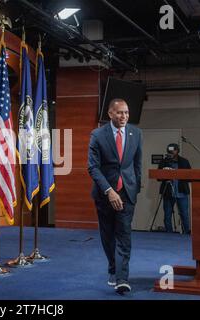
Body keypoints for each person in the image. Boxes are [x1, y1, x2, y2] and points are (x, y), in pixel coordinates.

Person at [87, 98, 142, 295]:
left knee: (124, 235)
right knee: (108, 236)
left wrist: (136, 188)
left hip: (127, 193)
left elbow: (137, 164)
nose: (124, 116)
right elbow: (92, 167)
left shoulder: (136, 133)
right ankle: (113, 267)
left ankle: (122, 278)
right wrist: (109, 191)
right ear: (110, 114)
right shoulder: (98, 135)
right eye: (120, 113)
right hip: (104, 195)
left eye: (126, 113)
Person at [158, 143, 191, 234]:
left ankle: (186, 233)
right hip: (168, 192)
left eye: (174, 150)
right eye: (170, 150)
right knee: (167, 215)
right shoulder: (164, 161)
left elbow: (190, 176)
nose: (172, 152)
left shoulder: (184, 161)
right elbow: (158, 177)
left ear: (177, 150)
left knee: (184, 214)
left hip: (181, 192)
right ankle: (169, 233)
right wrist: (165, 172)